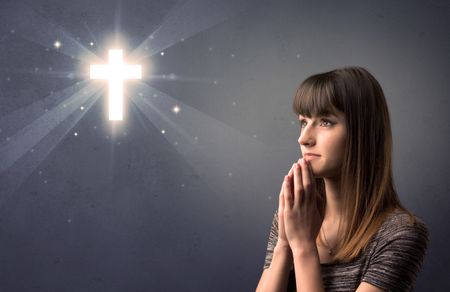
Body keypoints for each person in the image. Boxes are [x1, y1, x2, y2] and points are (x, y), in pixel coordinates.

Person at [255, 66, 429, 292]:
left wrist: (304, 247)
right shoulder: (295, 215)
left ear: (362, 132)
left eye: (325, 121)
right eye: (304, 122)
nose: (303, 138)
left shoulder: (400, 234)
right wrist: (285, 245)